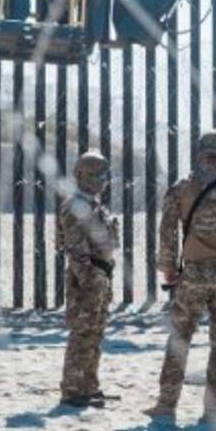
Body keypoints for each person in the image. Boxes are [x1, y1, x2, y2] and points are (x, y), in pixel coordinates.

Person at [144, 131, 216, 428]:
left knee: (179, 340)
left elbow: (167, 231)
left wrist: (168, 267)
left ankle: (166, 406)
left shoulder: (182, 189)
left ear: (200, 152)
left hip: (193, 275)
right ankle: (212, 411)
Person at [57, 152, 120, 408]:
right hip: (88, 278)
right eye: (97, 175)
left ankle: (89, 385)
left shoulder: (93, 206)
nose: (102, 180)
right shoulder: (75, 206)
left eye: (104, 175)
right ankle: (73, 390)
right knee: (82, 335)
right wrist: (90, 280)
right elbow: (75, 248)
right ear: (82, 176)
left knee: (95, 334)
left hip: (101, 274)